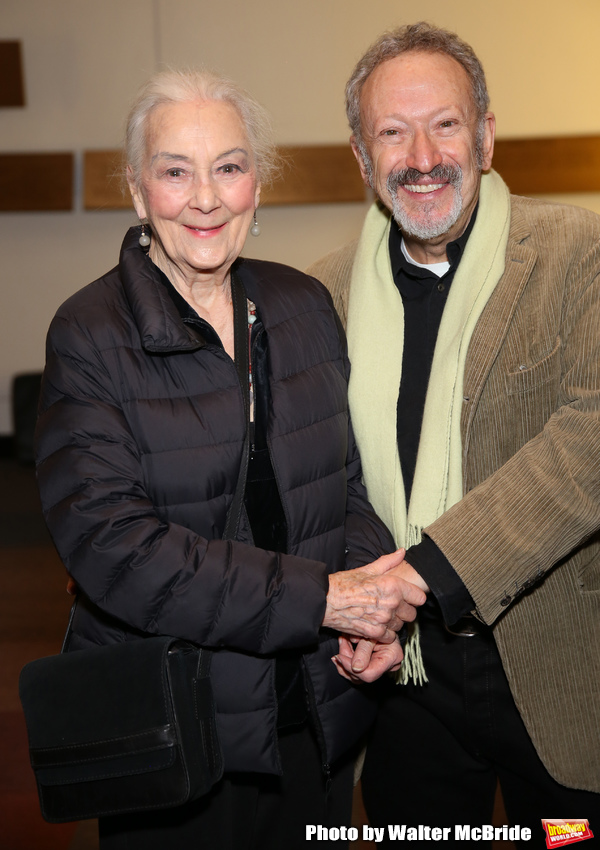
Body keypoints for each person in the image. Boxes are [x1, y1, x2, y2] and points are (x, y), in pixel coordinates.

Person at [34, 69, 427, 850]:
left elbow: (342, 485)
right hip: (179, 732)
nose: (205, 198)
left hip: (313, 714)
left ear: (258, 186)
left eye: (230, 167)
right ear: (140, 192)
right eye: (175, 171)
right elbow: (117, 549)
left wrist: (370, 612)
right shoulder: (88, 334)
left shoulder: (302, 304)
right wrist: (326, 599)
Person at [307, 22, 600, 847]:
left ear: (486, 135)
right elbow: (317, 473)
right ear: (362, 160)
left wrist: (421, 573)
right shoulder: (319, 295)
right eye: (392, 133)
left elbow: (592, 441)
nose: (423, 155)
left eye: (444, 124)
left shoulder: (580, 253)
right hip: (402, 682)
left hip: (558, 671)